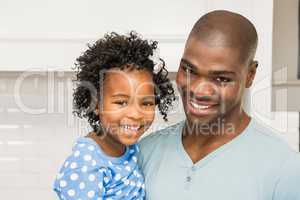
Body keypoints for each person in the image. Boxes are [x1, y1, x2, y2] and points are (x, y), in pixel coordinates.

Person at [138, 10, 300, 200]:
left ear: (250, 75)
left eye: (221, 78)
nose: (199, 90)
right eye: (189, 70)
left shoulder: (284, 167)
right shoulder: (145, 151)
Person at [53, 32, 175, 200]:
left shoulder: (131, 149)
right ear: (95, 104)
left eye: (146, 103)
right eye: (121, 102)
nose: (135, 114)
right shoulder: (86, 164)